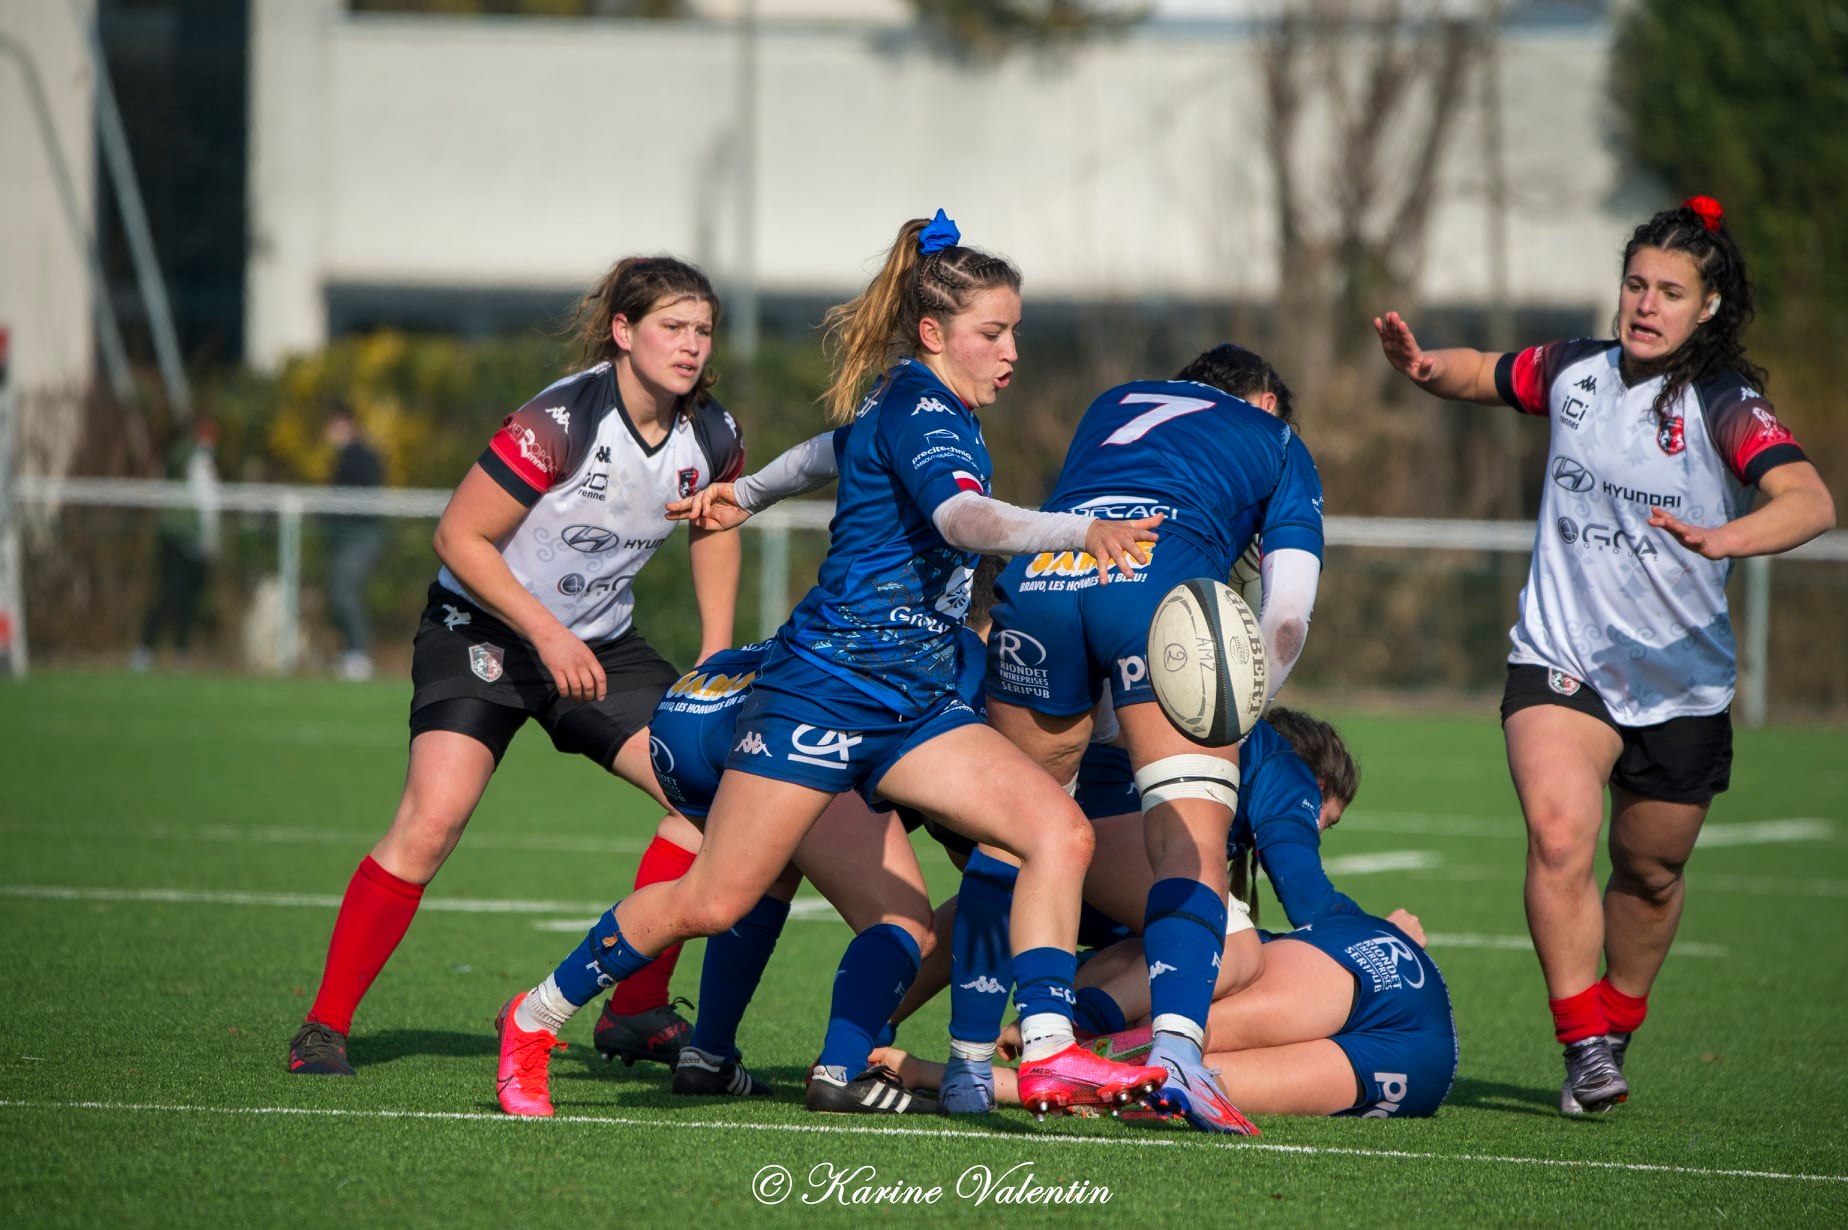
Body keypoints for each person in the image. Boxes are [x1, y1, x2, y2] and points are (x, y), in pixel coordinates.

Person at [491, 210, 1169, 1120]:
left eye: (1014, 332)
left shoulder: (912, 399)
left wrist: (749, 492)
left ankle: (1047, 1051)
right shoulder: (927, 412)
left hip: (915, 699)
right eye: (992, 333)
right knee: (712, 898)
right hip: (828, 688)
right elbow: (962, 523)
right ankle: (532, 1019)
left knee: (1059, 833)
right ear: (935, 334)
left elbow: (828, 450)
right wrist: (1082, 531)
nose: (1011, 352)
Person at [1373, 195, 1835, 1115]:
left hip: (1679, 682)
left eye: (1670, 290)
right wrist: (1425, 367)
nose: (1646, 304)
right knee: (1556, 836)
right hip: (1562, 658)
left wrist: (1725, 539)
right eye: (1635, 283)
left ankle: (1616, 1017)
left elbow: (1809, 500)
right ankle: (1584, 1043)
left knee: (1651, 872)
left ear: (1707, 307)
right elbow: (1484, 374)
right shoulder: (1575, 371)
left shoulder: (1723, 404)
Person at [287, 256, 745, 1077]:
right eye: (671, 327)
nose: (690, 346)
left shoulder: (710, 432)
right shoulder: (560, 421)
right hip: (482, 632)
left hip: (602, 646)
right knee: (430, 825)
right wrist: (546, 633)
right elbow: (458, 536)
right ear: (623, 332)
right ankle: (323, 1025)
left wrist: (715, 646)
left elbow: (714, 521)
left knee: (715, 799)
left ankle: (635, 1009)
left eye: (702, 330)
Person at [974, 342, 1325, 1132]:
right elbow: (1290, 615)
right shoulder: (1275, 441)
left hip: (1043, 581)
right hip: (1160, 591)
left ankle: (1013, 1052)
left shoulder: (1114, 401)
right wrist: (1238, 698)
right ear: (1263, 402)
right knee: (1190, 846)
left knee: (1027, 838)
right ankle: (1175, 1058)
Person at [873, 905, 1456, 1122]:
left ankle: (1010, 1058)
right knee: (1174, 1072)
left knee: (1166, 1074)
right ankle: (1054, 1038)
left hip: (1391, 1008)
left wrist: (932, 1072)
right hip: (1404, 1036)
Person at [132, 419, 221, 670]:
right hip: (179, 534)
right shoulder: (189, 454)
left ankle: (181, 650)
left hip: (194, 536)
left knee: (190, 598)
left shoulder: (199, 457)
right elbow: (205, 500)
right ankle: (145, 648)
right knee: (171, 592)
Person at [322, 404, 385, 682]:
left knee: (345, 592)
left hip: (362, 536)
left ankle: (358, 655)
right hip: (348, 536)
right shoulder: (345, 457)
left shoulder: (359, 456)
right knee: (339, 592)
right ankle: (351, 653)